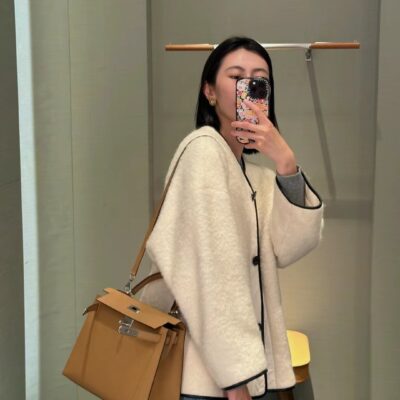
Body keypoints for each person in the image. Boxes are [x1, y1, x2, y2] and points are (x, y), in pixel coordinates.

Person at [139, 36, 324, 400]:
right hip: (213, 381)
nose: (249, 85)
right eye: (237, 77)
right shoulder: (203, 151)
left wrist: (286, 163)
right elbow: (210, 274)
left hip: (247, 371)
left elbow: (290, 247)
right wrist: (236, 380)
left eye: (259, 79)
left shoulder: (254, 177)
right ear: (209, 91)